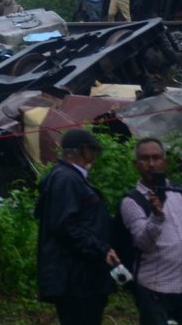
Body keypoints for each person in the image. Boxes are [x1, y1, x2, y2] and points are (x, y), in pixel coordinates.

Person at [120, 138, 182, 325]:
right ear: (135, 164)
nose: (151, 164)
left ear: (165, 161)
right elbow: (142, 243)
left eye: (156, 158)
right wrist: (156, 216)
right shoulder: (132, 201)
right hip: (155, 289)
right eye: (145, 159)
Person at [36, 128, 120, 325]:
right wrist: (100, 248)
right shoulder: (67, 179)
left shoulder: (68, 177)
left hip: (81, 277)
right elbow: (65, 225)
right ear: (84, 151)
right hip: (76, 279)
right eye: (93, 151)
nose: (95, 156)